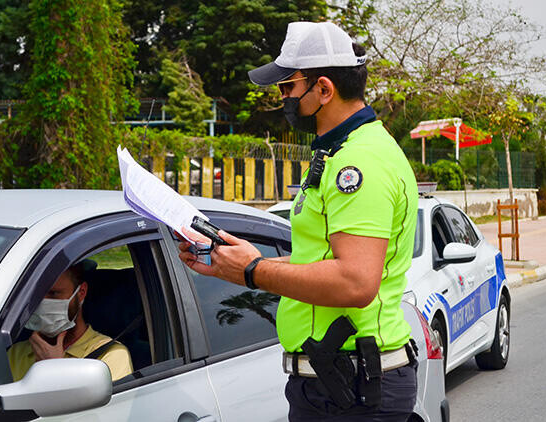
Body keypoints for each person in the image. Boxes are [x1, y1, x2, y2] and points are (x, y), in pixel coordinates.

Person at [179, 21, 419, 421]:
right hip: (336, 382)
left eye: (288, 87)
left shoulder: (358, 163)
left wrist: (255, 272)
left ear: (324, 89)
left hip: (353, 388)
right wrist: (251, 263)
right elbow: (324, 259)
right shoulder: (342, 151)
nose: (282, 99)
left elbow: (356, 281)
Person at [7, 260, 133, 382]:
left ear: (81, 292)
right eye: (37, 294)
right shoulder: (15, 353)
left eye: (54, 293)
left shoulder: (110, 355)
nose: (41, 303)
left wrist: (55, 370)